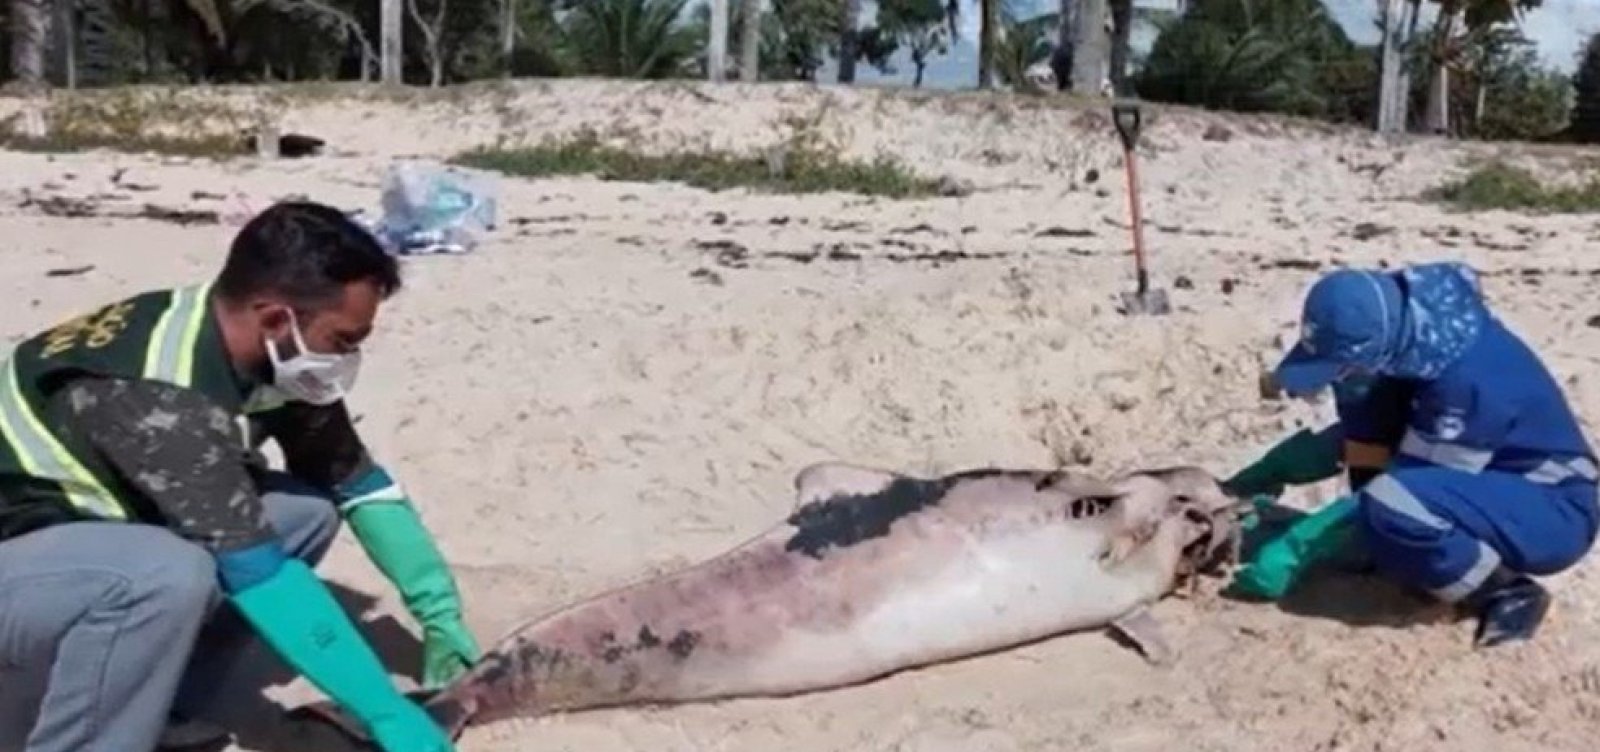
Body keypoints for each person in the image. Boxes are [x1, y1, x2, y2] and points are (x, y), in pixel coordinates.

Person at [0, 201, 479, 752]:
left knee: (303, 515)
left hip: (81, 540)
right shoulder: (159, 396)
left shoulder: (263, 348)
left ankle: (163, 706)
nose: (348, 358)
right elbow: (256, 569)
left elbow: (354, 483)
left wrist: (438, 610)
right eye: (344, 341)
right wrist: (385, 712)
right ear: (277, 318)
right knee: (164, 575)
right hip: (22, 558)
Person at [1223, 261, 1598, 647]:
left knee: (1395, 504)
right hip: (1475, 482)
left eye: (1344, 363)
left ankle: (1505, 591)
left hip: (1552, 506)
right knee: (1365, 400)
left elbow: (1404, 485)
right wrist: (1277, 467)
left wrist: (1300, 544)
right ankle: (1384, 548)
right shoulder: (1415, 340)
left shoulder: (1467, 385)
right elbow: (1377, 439)